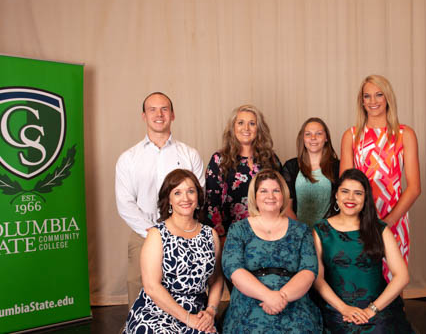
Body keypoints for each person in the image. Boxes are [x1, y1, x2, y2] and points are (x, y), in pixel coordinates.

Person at [116, 92, 205, 306]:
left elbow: (199, 195)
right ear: (144, 116)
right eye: (152, 109)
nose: (159, 114)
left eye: (164, 109)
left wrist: (176, 231)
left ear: (172, 115)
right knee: (140, 292)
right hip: (143, 233)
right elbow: (125, 203)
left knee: (188, 292)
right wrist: (153, 232)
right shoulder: (129, 158)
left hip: (185, 231)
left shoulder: (190, 155)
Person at [339, 75, 421, 281]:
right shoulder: (351, 135)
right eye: (367, 96)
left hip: (395, 216)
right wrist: (360, 221)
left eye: (378, 95)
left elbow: (414, 188)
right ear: (362, 101)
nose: (373, 101)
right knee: (361, 279)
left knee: (394, 279)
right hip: (358, 217)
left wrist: (387, 222)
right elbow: (345, 186)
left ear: (388, 98)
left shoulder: (405, 134)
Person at [313, 169, 414, 333]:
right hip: (336, 309)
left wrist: (371, 310)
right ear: (336, 195)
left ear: (365, 198)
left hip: (377, 309)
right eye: (345, 191)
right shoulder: (320, 230)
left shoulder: (379, 229)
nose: (350, 198)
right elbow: (318, 279)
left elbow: (402, 276)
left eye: (358, 193)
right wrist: (343, 308)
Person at [221, 169, 322, 333]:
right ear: (255, 196)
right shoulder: (238, 230)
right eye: (264, 191)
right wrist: (267, 296)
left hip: (293, 302)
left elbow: (308, 271)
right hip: (249, 302)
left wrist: (281, 298)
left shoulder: (301, 231)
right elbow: (233, 269)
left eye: (276, 190)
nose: (271, 196)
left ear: (283, 196)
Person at [123, 169, 223, 333]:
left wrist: (211, 310)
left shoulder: (210, 235)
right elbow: (151, 287)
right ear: (168, 200)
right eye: (177, 193)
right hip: (157, 310)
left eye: (191, 191)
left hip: (198, 311)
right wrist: (187, 319)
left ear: (198, 197)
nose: (185, 198)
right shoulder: (157, 235)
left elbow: (216, 279)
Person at [204, 104, 281, 239]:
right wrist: (221, 239)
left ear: (259, 129)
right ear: (233, 128)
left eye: (252, 123)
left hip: (268, 235)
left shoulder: (271, 160)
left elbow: (281, 199)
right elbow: (212, 205)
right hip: (232, 236)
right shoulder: (219, 160)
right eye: (240, 123)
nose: (246, 128)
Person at [282, 117, 339, 226]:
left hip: (329, 233)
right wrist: (302, 231)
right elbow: (286, 208)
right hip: (299, 232)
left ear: (326, 138)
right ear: (302, 138)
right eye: (308, 134)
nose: (313, 138)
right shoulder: (290, 167)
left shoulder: (338, 167)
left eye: (318, 133)